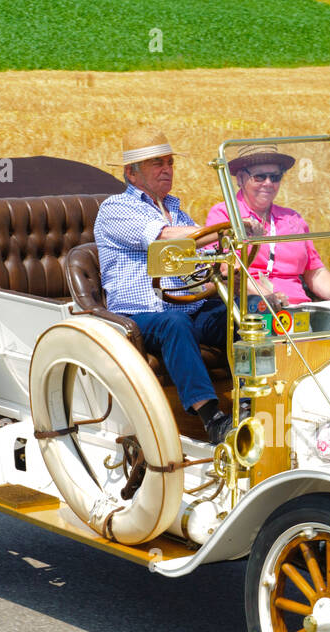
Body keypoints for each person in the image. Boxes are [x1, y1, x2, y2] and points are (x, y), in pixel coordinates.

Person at [95, 128, 260, 445]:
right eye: (157, 163)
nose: (167, 169)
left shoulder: (177, 210)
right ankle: (211, 418)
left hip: (189, 306)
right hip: (139, 315)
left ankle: (251, 404)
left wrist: (229, 268)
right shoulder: (116, 209)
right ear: (132, 172)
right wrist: (226, 228)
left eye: (169, 162)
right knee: (175, 323)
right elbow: (166, 237)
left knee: (240, 319)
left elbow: (203, 257)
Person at [206, 144, 330, 319]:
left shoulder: (292, 219)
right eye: (259, 177)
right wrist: (266, 296)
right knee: (263, 310)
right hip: (252, 305)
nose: (268, 183)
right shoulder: (225, 214)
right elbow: (228, 270)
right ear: (240, 178)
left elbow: (314, 271)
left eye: (275, 177)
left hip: (299, 308)